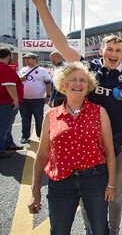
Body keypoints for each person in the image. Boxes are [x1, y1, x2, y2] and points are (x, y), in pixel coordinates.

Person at [23, 0, 122, 235]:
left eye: (118, 50)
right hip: (89, 143)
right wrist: (42, 6)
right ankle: (93, 230)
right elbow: (61, 42)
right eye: (109, 48)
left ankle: (114, 230)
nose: (113, 53)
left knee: (115, 195)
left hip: (118, 144)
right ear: (101, 51)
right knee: (93, 196)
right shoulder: (90, 68)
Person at [27, 61, 116, 235]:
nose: (78, 83)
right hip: (60, 183)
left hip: (94, 179)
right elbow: (42, 154)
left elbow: (109, 151)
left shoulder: (99, 112)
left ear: (88, 85)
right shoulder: (51, 115)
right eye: (72, 79)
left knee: (100, 229)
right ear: (63, 84)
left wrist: (111, 184)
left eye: (83, 80)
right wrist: (35, 189)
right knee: (59, 230)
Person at [18, 52, 51, 144]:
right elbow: (16, 82)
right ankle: (25, 136)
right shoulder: (22, 70)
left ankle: (40, 136)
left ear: (35, 59)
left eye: (29, 58)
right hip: (24, 99)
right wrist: (20, 79)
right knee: (25, 118)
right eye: (25, 59)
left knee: (39, 118)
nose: (26, 60)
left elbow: (48, 83)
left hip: (38, 99)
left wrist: (48, 95)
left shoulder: (42, 70)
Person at [0, 47, 24, 158]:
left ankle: (8, 144)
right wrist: (15, 99)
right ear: (8, 56)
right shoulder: (4, 68)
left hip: (3, 102)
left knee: (7, 125)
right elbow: (9, 84)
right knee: (4, 126)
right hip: (6, 102)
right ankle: (1, 148)